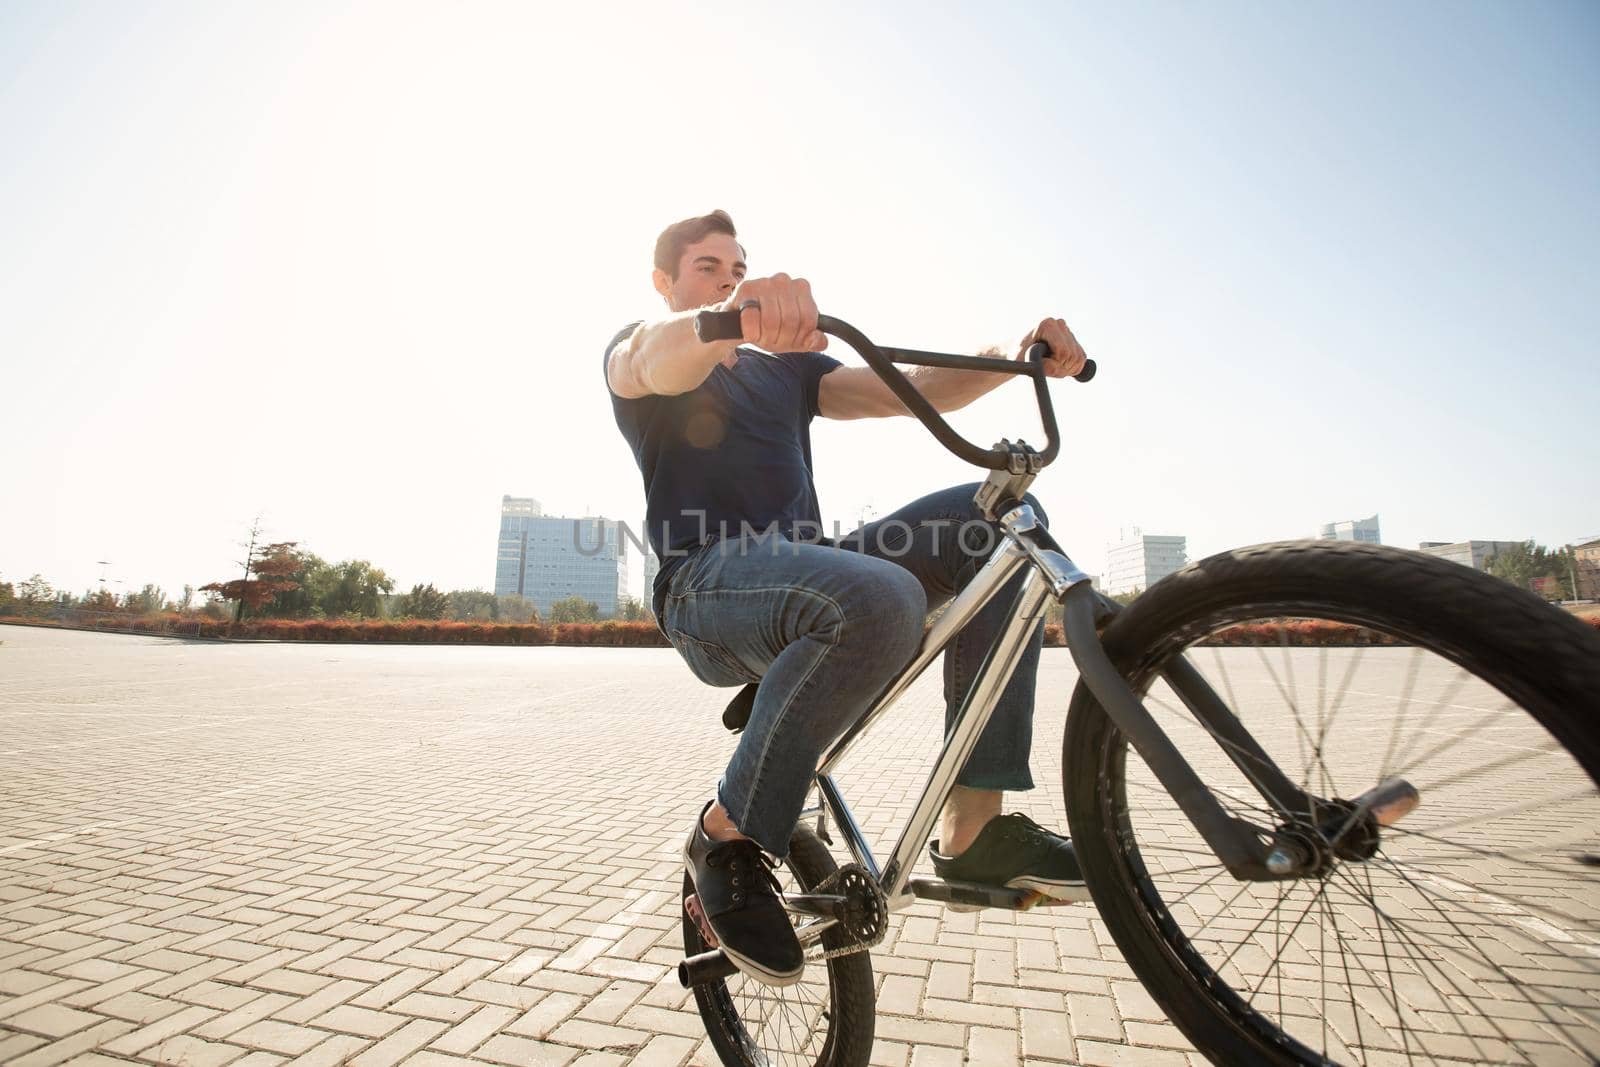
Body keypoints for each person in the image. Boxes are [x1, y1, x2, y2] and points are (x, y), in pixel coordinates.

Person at [604, 210, 1091, 986]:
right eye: (708, 269)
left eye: (737, 271)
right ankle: (725, 833)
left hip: (812, 570)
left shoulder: (786, 373)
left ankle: (974, 829)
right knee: (884, 595)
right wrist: (722, 320)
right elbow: (650, 358)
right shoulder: (653, 350)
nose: (728, 281)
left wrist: (1012, 352)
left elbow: (914, 389)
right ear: (665, 282)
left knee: (996, 522)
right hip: (706, 585)